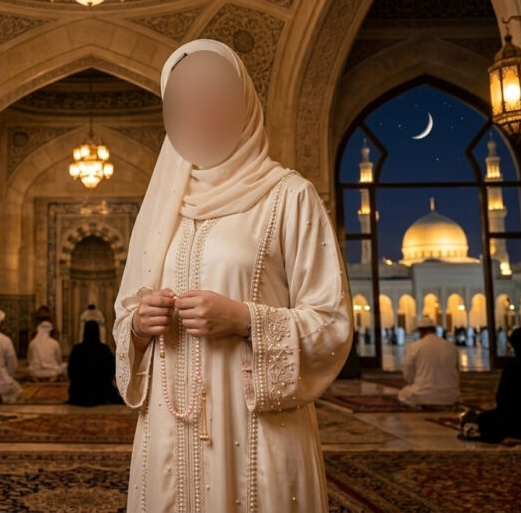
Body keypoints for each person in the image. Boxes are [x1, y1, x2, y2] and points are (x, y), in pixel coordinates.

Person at [114, 39, 353, 512]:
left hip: (256, 431)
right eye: (183, 104)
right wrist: (140, 324)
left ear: (243, 103)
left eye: (213, 97)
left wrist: (246, 320)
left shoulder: (288, 196)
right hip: (167, 429)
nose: (198, 113)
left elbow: (332, 323)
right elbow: (126, 319)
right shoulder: (164, 208)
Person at [398, 316, 460, 407]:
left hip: (422, 395)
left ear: (420, 332)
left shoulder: (415, 346)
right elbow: (457, 371)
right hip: (450, 396)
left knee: (403, 394)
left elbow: (407, 374)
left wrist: (414, 382)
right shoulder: (451, 346)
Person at [68, 320, 122, 407]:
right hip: (102, 392)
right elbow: (111, 372)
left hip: (79, 392)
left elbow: (71, 373)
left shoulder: (77, 350)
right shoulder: (104, 350)